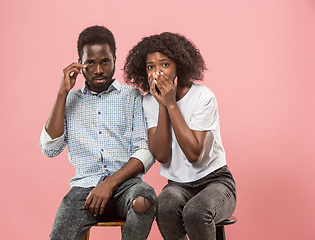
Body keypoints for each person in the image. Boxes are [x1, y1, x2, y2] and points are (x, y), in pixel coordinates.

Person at [40, 25, 156, 240]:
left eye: (105, 61)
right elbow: (50, 148)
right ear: (80, 63)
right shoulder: (70, 100)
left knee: (145, 198)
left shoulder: (132, 97)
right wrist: (62, 93)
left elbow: (146, 152)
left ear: (114, 59)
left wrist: (109, 184)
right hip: (84, 190)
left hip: (125, 187)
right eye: (90, 63)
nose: (98, 70)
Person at [124, 32, 237, 240]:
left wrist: (171, 104)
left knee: (196, 212)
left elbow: (193, 153)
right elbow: (162, 155)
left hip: (215, 182)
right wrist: (161, 105)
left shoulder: (203, 96)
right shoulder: (148, 102)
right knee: (165, 207)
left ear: (179, 66)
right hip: (177, 185)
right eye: (151, 66)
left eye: (164, 65)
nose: (157, 72)